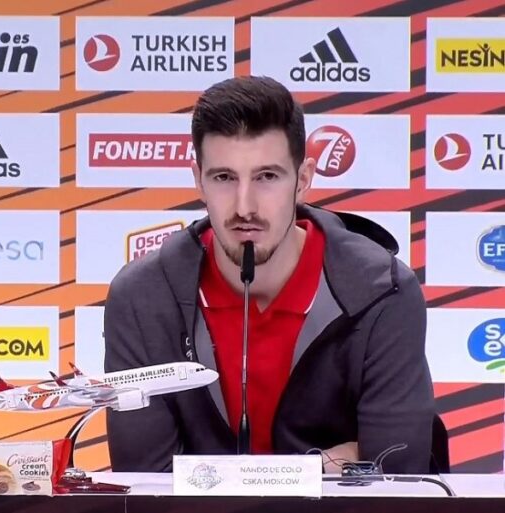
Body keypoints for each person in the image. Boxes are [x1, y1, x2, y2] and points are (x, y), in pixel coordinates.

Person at [104, 76, 435, 474]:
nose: (245, 207)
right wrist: (327, 466)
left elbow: (397, 472)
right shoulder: (142, 298)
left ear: (303, 180)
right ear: (198, 180)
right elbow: (146, 483)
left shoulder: (381, 292)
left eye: (267, 177)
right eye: (224, 178)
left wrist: (213, 477)